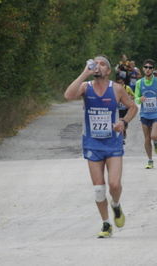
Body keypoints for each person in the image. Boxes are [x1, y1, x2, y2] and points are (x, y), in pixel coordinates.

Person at [64, 55, 138, 238]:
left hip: (113, 143)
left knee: (114, 184)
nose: (98, 66)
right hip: (92, 143)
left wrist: (123, 121)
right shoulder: (85, 87)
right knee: (98, 189)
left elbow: (133, 107)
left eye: (102, 64)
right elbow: (68, 95)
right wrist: (84, 73)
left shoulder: (117, 89)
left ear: (108, 71)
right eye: (95, 63)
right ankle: (106, 223)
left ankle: (116, 204)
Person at [134, 59, 157, 169]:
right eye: (146, 67)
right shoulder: (139, 83)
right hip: (144, 114)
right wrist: (140, 99)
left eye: (150, 67)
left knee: (153, 136)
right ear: (143, 69)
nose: (148, 69)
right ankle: (150, 160)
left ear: (153, 70)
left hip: (156, 113)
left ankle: (156, 141)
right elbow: (136, 98)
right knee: (147, 138)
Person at [116, 75, 135, 143]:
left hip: (126, 108)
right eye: (118, 82)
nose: (120, 84)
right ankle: (121, 138)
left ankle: (124, 131)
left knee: (124, 123)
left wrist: (129, 98)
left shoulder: (128, 88)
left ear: (123, 82)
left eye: (121, 82)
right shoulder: (115, 89)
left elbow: (134, 96)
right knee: (120, 121)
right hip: (119, 109)